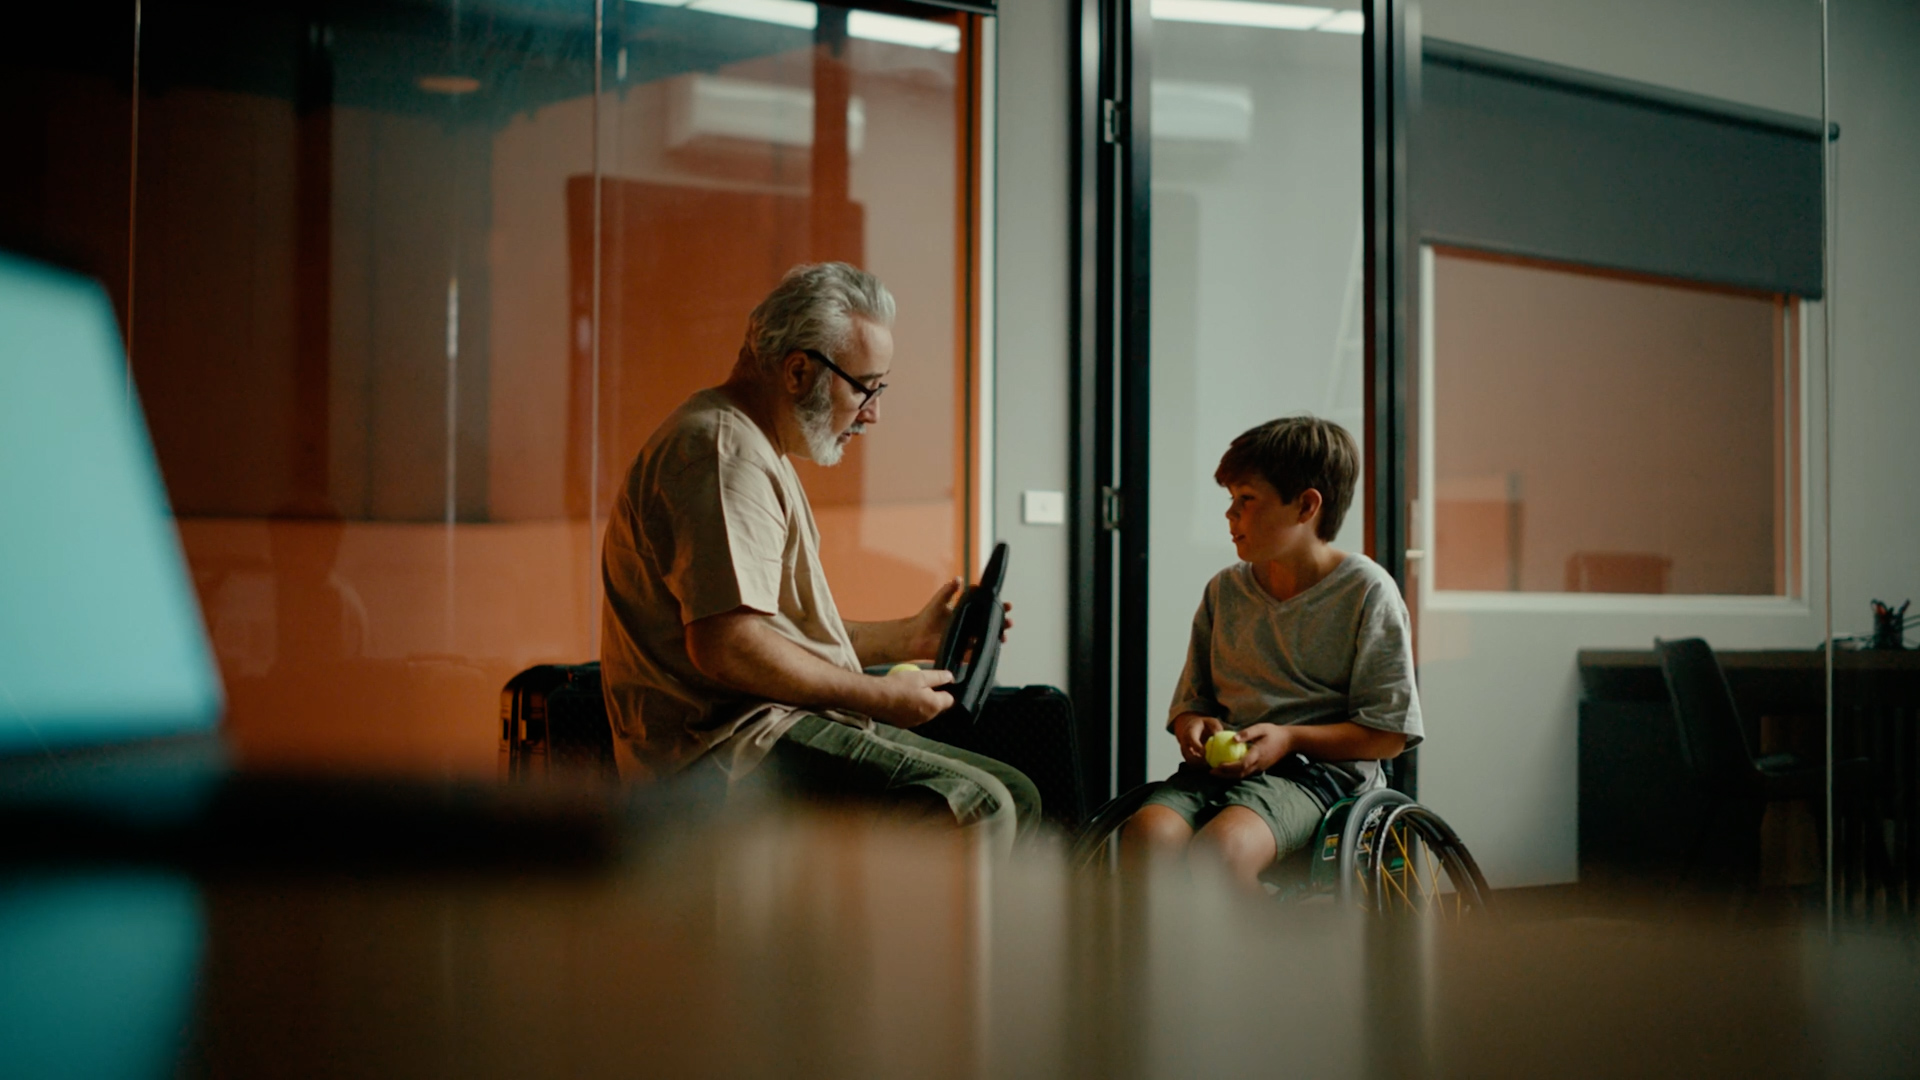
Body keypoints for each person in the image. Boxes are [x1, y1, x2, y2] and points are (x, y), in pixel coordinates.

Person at [599, 262, 1040, 853]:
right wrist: (879, 697)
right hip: (723, 752)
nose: (873, 412)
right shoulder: (724, 455)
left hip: (771, 725)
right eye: (865, 387)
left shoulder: (752, 447)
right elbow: (727, 645)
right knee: (979, 806)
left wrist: (911, 638)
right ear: (798, 371)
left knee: (1019, 794)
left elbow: (773, 635)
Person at [1120, 416, 1422, 889]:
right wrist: (1191, 725)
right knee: (1145, 837)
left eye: (1246, 499)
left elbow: (1387, 736)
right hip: (1223, 771)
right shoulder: (1224, 590)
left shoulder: (1367, 592)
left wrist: (1289, 738)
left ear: (1306, 506)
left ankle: (1257, 941)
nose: (1230, 513)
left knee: (1219, 852)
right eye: (1230, 499)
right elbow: (1193, 702)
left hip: (1319, 777)